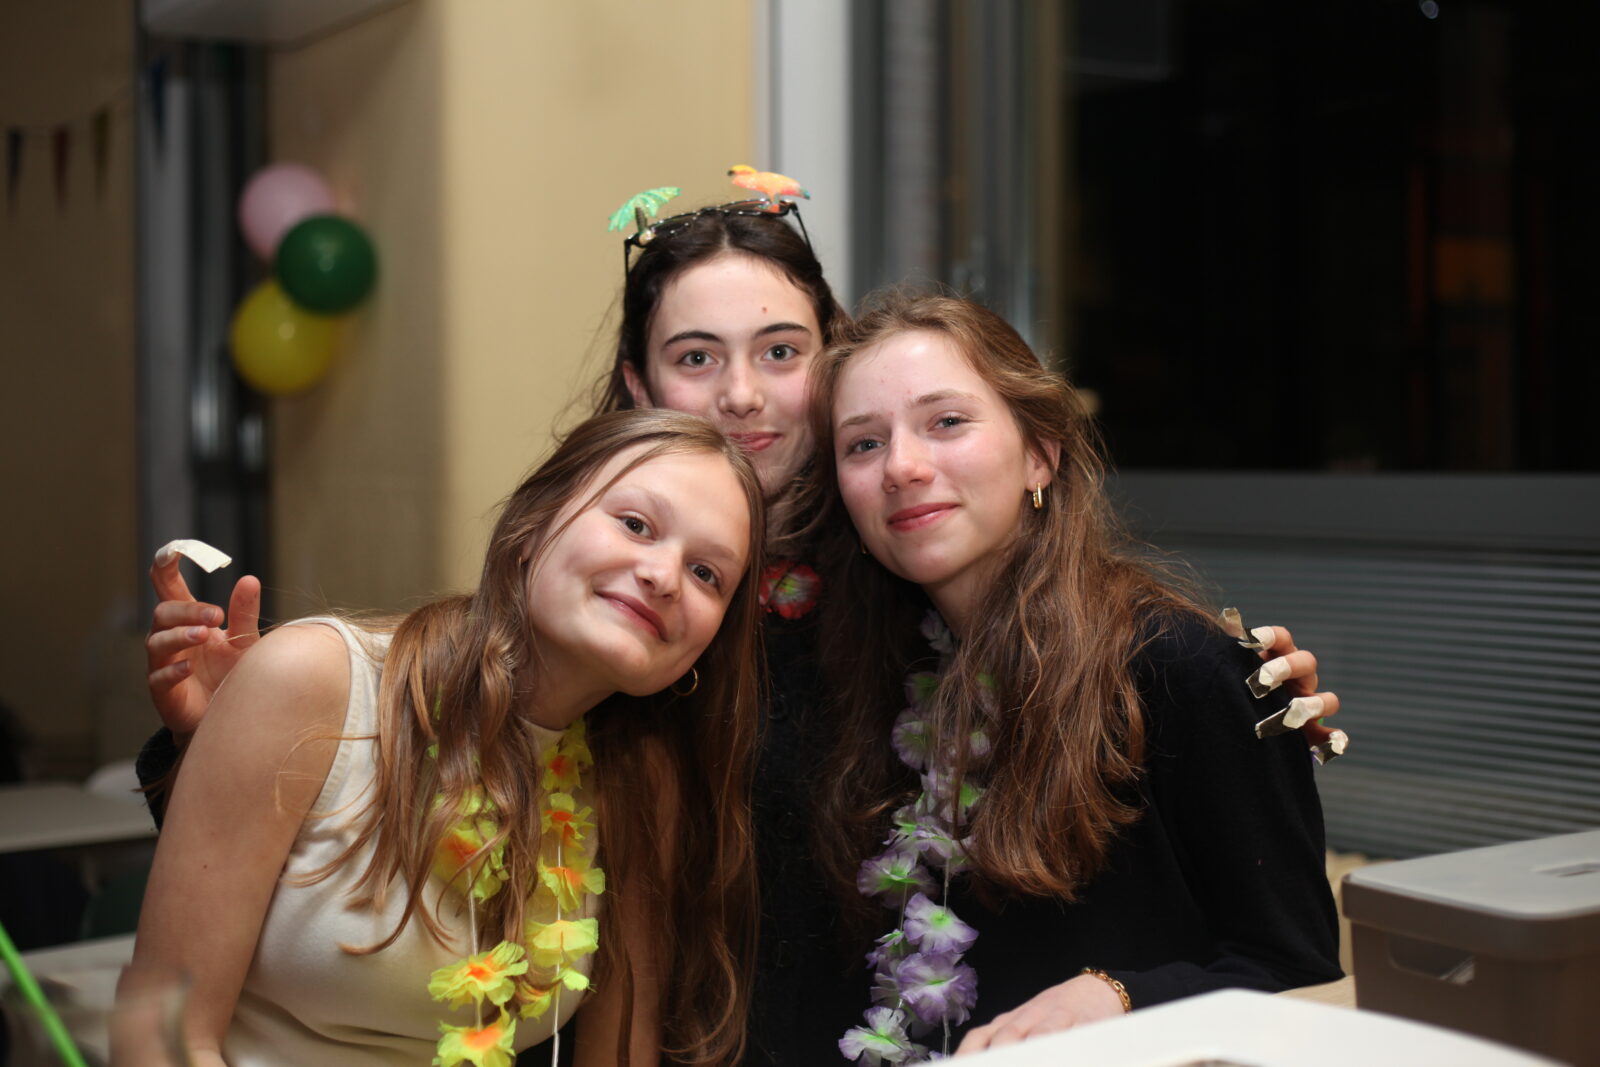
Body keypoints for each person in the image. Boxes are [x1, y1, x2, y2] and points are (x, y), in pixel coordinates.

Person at [139, 186, 1342, 1064]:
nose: (743, 393)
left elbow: (1216, 894)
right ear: (637, 389)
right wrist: (215, 740)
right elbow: (415, 829)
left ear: (829, 365)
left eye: (781, 352)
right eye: (695, 356)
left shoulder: (902, 594)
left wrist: (1251, 692)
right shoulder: (609, 604)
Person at [129, 409, 766, 1066]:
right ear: (532, 526)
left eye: (706, 573)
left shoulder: (637, 783)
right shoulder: (311, 678)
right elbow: (158, 1034)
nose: (664, 575)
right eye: (635, 524)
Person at [807, 294, 1343, 1060]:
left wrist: (1118, 996)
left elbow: (1297, 972)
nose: (901, 466)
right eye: (863, 443)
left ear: (1040, 454)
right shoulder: (877, 682)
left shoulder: (1179, 668)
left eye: (946, 421)